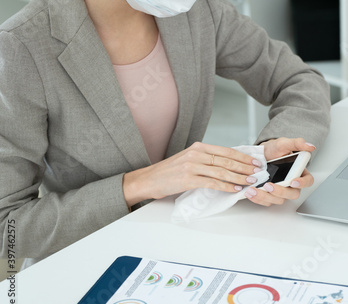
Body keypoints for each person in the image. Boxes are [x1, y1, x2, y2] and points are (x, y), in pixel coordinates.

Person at [0, 0, 331, 263]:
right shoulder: (21, 46)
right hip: (87, 259)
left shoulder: (193, 9)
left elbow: (298, 80)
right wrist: (143, 183)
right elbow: (8, 228)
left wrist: (273, 151)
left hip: (184, 243)